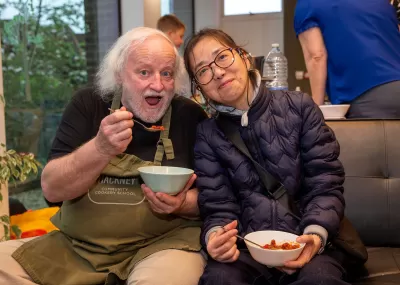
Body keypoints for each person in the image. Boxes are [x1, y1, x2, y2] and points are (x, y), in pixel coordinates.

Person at [0, 27, 208, 285]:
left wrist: (182, 203)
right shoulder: (87, 105)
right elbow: (52, 190)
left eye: (166, 73)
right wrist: (99, 148)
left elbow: (216, 198)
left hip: (162, 246)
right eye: (144, 72)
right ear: (120, 74)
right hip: (77, 248)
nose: (158, 85)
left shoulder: (190, 115)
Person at [184, 28, 351, 284]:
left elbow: (325, 184)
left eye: (222, 57)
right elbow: (217, 205)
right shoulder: (208, 134)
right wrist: (216, 237)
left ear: (244, 57)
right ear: (200, 89)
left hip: (307, 239)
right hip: (248, 251)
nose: (217, 72)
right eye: (203, 71)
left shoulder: (300, 107)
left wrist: (315, 235)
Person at [294, 0, 400, 119]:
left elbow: (316, 56)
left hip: (367, 95)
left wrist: (315, 113)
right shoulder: (381, 2)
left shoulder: (308, 4)